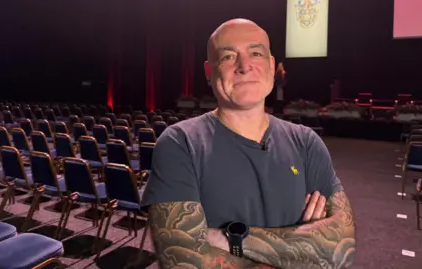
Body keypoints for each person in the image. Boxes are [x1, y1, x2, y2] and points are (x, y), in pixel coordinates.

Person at [142, 18, 356, 269]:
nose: (244, 66)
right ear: (209, 73)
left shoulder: (307, 143)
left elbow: (341, 249)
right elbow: (183, 261)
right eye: (229, 57)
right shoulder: (181, 143)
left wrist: (228, 239)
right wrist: (304, 247)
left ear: (271, 65)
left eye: (255, 53)